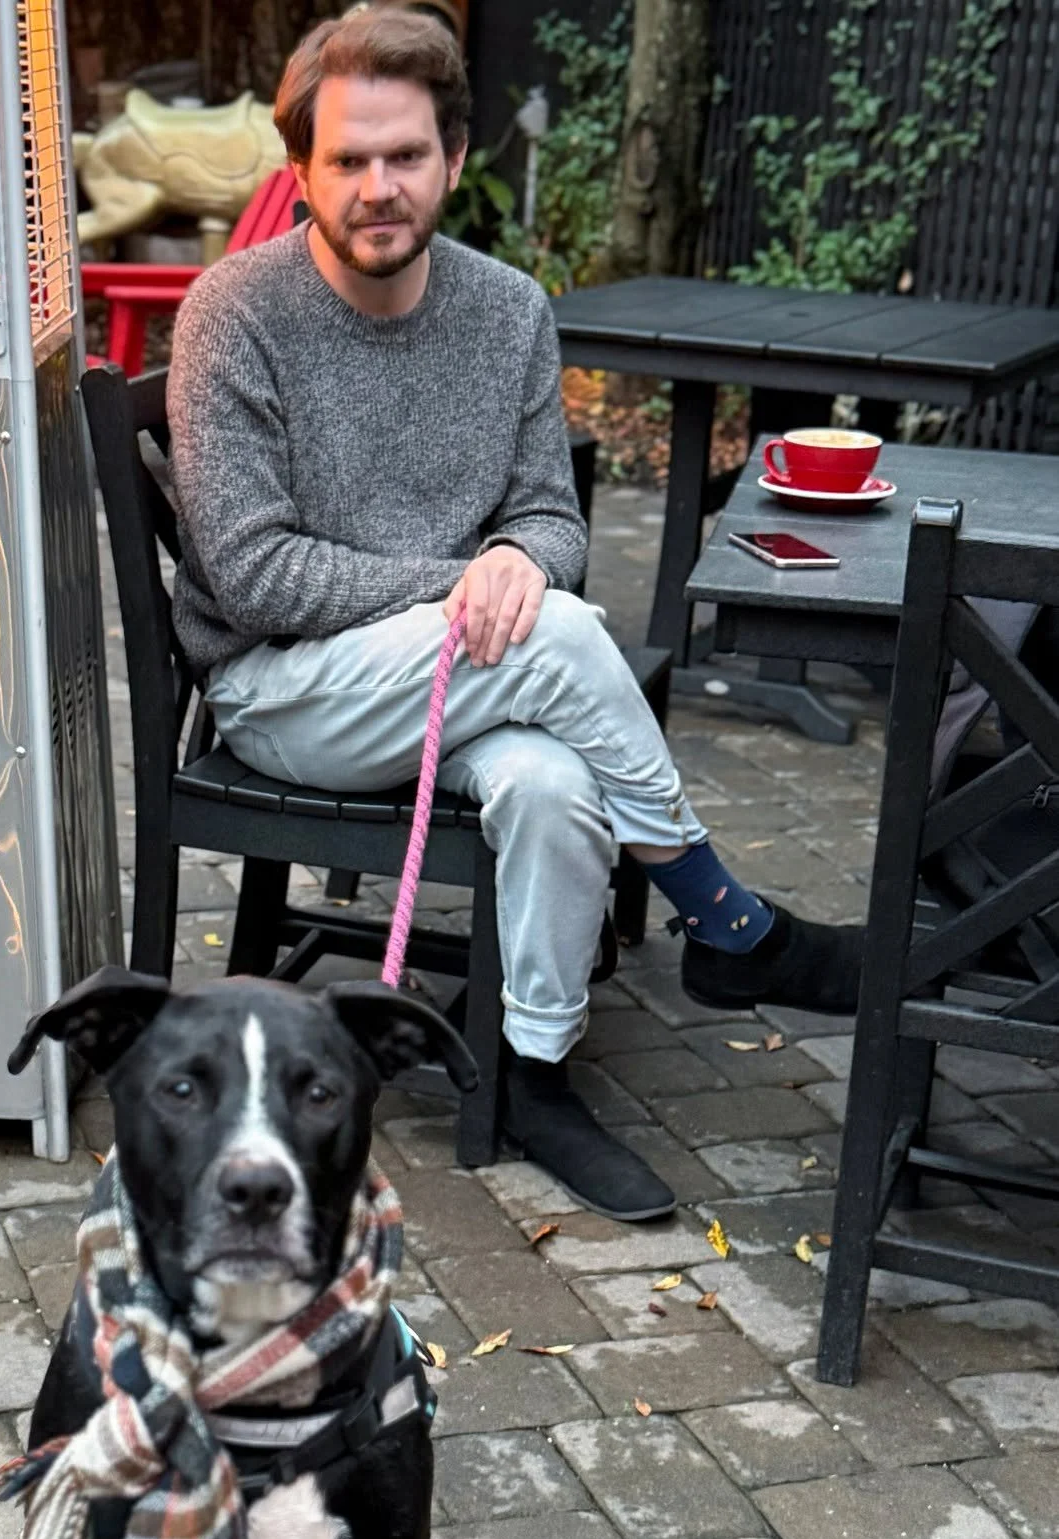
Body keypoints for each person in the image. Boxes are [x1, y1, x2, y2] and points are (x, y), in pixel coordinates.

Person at [165, 7, 863, 1223]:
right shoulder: (236, 312)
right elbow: (255, 573)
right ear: (302, 172)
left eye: (406, 154)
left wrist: (516, 559)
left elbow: (549, 515)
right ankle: (728, 919)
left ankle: (530, 1070)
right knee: (562, 634)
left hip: (453, 676)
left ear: (453, 156)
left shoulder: (509, 311)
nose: (379, 186)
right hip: (284, 690)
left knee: (551, 778)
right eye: (348, 159)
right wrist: (467, 578)